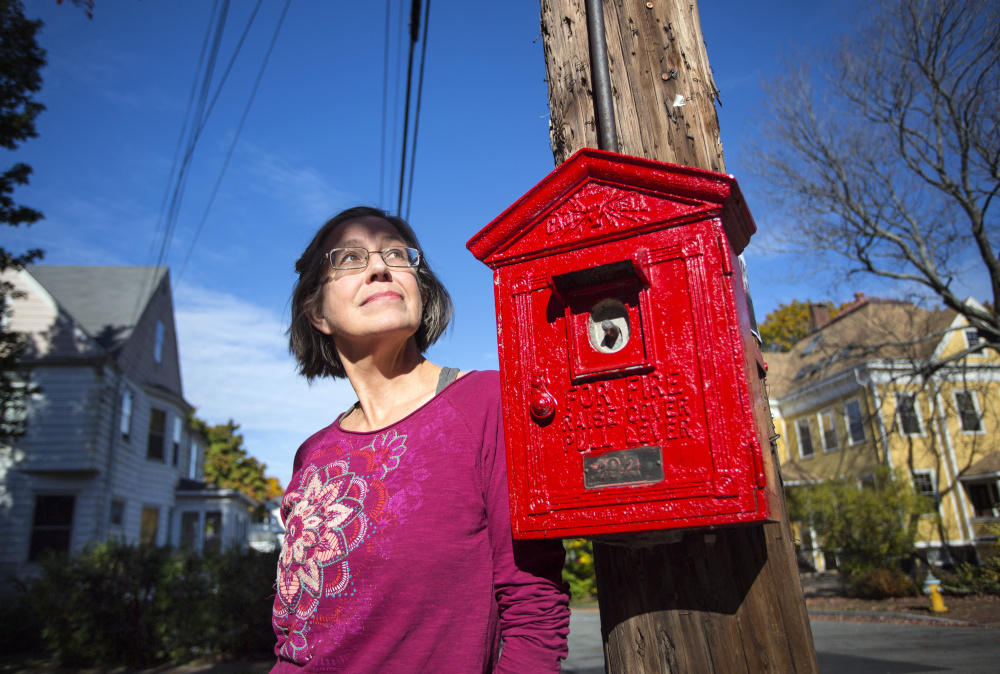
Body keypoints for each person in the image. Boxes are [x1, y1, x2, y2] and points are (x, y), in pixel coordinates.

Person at [272, 206, 570, 672]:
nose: (379, 268)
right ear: (317, 313)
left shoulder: (487, 404)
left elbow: (534, 608)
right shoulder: (311, 455)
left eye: (397, 254)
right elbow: (298, 637)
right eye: (349, 259)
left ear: (420, 290)